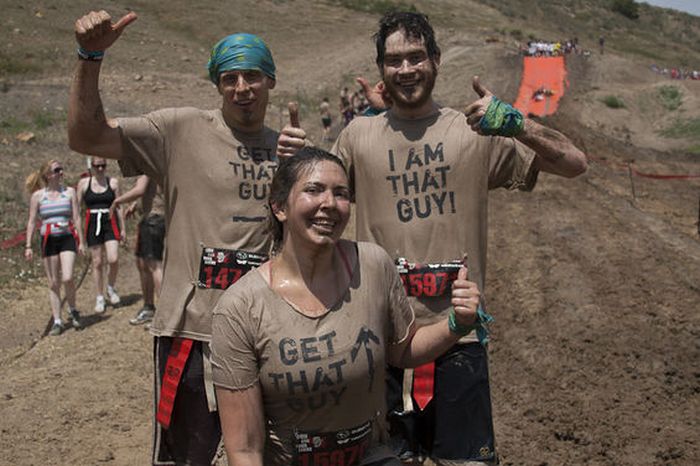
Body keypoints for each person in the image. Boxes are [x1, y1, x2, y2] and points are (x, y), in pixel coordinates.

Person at [303, 11, 585, 466]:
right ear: (381, 69)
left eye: (416, 57)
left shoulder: (475, 131)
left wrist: (518, 125)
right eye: (394, 60)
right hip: (377, 341)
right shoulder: (358, 135)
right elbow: (310, 204)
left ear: (436, 60)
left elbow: (574, 163)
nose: (406, 69)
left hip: (459, 341)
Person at [68, 9, 304, 465]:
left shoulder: (286, 148)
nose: (241, 88)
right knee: (188, 458)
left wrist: (302, 170)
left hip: (268, 334)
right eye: (229, 77)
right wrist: (90, 56)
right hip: (191, 334)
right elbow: (86, 136)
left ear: (270, 81)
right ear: (216, 83)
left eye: (252, 75)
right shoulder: (179, 129)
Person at [211, 147, 482, 466]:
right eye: (313, 190)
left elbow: (403, 350)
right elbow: (244, 448)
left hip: (369, 456)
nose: (329, 203)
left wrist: (456, 324)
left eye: (340, 194)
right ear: (279, 207)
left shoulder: (373, 265)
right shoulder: (240, 307)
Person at [24, 160, 86, 336]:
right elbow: (31, 221)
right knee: (53, 282)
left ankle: (73, 309)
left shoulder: (69, 192)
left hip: (67, 236)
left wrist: (81, 241)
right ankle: (57, 320)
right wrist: (28, 245)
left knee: (67, 277)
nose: (61, 172)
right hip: (48, 239)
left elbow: (77, 217)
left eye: (61, 169)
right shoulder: (38, 196)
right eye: (57, 170)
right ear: (48, 175)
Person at [111, 175, 165, 325]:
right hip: (152, 219)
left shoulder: (148, 167)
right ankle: (149, 307)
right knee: (142, 264)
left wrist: (117, 200)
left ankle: (163, 315)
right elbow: (151, 191)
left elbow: (140, 189)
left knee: (154, 266)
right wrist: (136, 204)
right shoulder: (156, 165)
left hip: (153, 220)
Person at [77, 156, 124, 313]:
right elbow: (77, 211)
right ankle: (99, 296)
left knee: (113, 258)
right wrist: (80, 238)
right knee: (97, 262)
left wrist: (123, 228)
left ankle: (110, 287)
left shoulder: (113, 183)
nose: (101, 169)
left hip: (109, 221)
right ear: (92, 166)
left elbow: (119, 207)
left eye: (103, 165)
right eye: (97, 166)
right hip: (92, 222)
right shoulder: (84, 184)